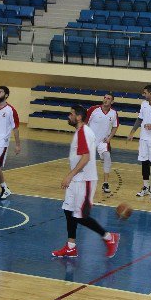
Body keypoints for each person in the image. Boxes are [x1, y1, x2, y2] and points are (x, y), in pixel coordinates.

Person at [51, 105, 120, 259]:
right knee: (68, 210)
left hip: (84, 179)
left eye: (71, 114)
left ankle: (109, 237)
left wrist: (69, 175)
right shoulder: (81, 132)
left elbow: (86, 157)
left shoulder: (83, 132)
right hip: (77, 179)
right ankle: (71, 247)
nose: (69, 116)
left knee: (80, 215)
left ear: (79, 117)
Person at [87, 93, 119, 193]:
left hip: (103, 142)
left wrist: (109, 138)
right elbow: (84, 123)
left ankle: (105, 184)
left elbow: (115, 126)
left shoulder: (114, 113)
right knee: (86, 161)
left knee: (107, 157)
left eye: (108, 98)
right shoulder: (93, 109)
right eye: (104, 97)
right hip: (90, 140)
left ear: (112, 102)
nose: (105, 100)